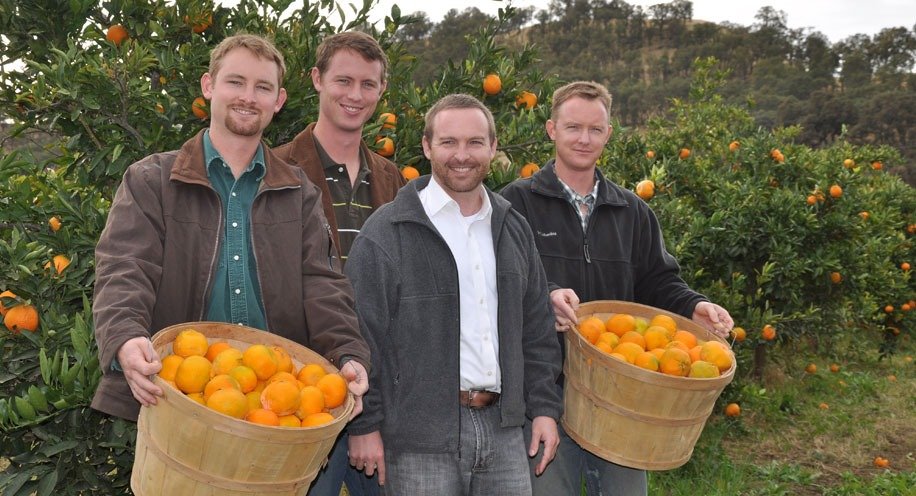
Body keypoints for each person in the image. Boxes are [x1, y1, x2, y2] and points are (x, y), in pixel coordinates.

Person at [91, 33, 370, 425]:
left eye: (262, 87)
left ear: (279, 100)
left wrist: (347, 354)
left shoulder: (298, 191)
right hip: (178, 394)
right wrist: (124, 337)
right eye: (235, 82)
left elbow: (323, 284)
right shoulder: (152, 179)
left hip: (274, 401)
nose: (248, 97)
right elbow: (124, 269)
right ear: (209, 86)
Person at [500, 80, 734, 496]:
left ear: (609, 134)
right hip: (546, 394)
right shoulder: (514, 204)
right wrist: (546, 294)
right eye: (573, 128)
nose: (584, 139)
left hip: (623, 398)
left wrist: (694, 305)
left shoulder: (633, 211)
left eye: (595, 129)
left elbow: (659, 281)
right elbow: (502, 280)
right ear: (552, 129)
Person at [344, 93, 563, 495]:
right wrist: (364, 425)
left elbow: (536, 331)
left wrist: (545, 409)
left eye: (475, 142)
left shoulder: (512, 228)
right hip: (418, 438)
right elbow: (360, 336)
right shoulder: (387, 232)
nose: (462, 155)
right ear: (427, 146)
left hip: (504, 431)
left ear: (493, 148)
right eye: (448, 142)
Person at [273, 31, 405, 496]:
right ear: (316, 80)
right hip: (299, 385)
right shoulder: (276, 169)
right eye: (343, 80)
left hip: (380, 388)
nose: (355, 95)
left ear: (381, 91)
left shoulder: (395, 181)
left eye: (368, 85)